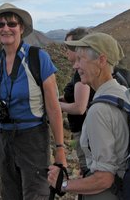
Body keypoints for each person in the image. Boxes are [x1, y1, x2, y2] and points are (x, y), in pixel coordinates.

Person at [0, 3, 67, 200]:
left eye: (12, 23)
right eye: (0, 24)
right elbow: (0, 88)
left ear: (21, 28)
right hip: (4, 136)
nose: (6, 28)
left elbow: (54, 108)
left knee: (35, 194)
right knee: (10, 194)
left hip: (32, 138)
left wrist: (60, 149)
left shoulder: (38, 58)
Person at [48, 32, 130, 200]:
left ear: (101, 60)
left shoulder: (99, 110)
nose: (75, 66)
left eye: (81, 59)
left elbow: (104, 178)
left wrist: (63, 184)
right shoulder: (126, 93)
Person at [59, 27, 95, 176]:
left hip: (84, 133)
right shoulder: (79, 71)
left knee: (89, 171)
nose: (66, 50)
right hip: (84, 132)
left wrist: (54, 105)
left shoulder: (82, 75)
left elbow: (80, 107)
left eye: (69, 46)